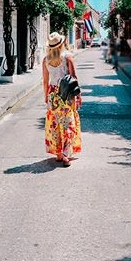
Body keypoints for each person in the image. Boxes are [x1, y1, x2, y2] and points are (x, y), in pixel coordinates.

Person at [42, 32, 82, 167]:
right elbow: (73, 78)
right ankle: (65, 154)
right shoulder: (68, 57)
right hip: (66, 94)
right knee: (67, 122)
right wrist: (78, 96)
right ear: (61, 44)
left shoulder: (46, 60)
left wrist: (46, 97)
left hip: (53, 94)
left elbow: (45, 81)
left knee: (55, 123)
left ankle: (58, 154)